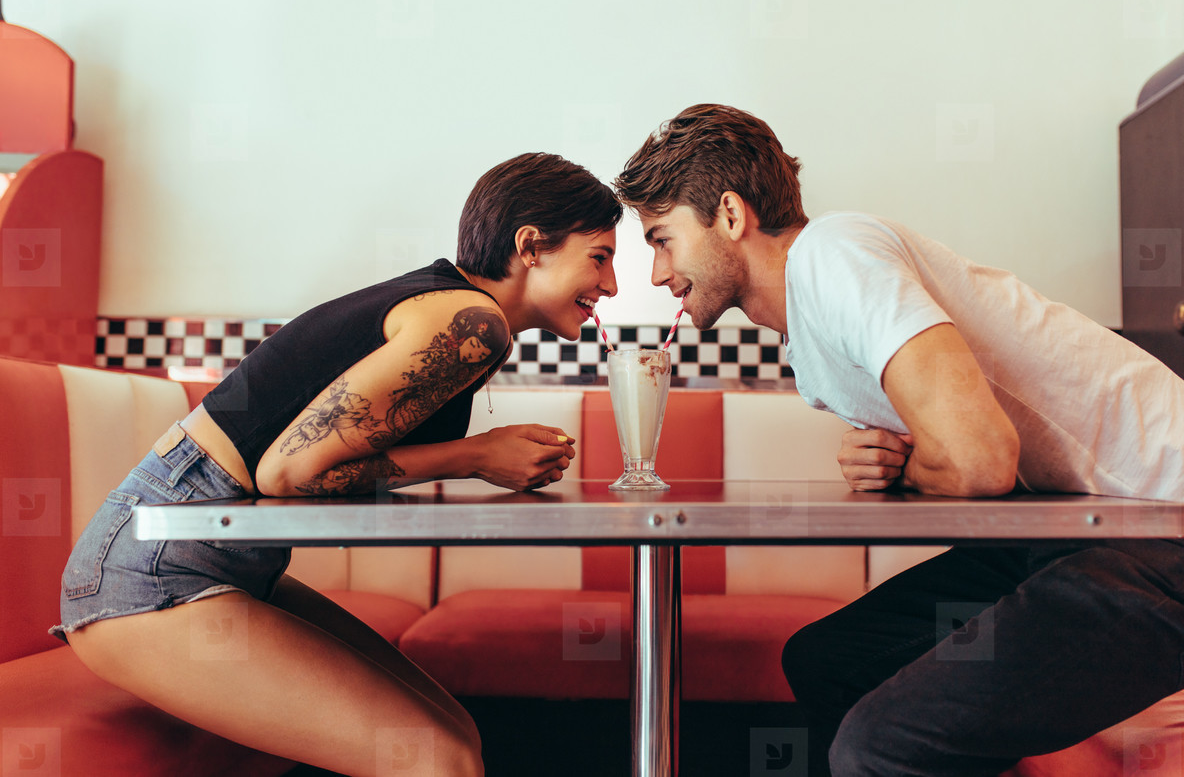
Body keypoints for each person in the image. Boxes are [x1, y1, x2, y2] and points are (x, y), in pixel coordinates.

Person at [614, 103, 1184, 776]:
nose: (656, 274)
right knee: (827, 662)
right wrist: (896, 459)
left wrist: (911, 465)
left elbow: (980, 460)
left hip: (1158, 524)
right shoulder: (811, 344)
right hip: (1064, 529)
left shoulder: (833, 254)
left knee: (876, 747)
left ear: (731, 216)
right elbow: (960, 448)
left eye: (661, 238)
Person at [52, 152, 620, 777]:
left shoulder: (454, 308)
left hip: (207, 559)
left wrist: (478, 456)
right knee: (436, 760)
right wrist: (476, 455)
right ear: (531, 246)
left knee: (455, 735)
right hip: (152, 574)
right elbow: (289, 474)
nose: (612, 285)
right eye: (599, 256)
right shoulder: (470, 323)